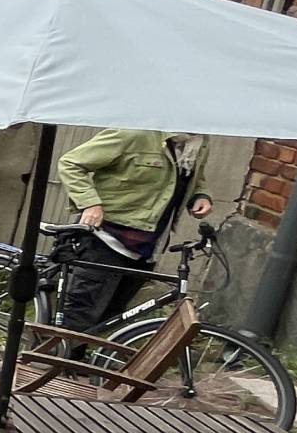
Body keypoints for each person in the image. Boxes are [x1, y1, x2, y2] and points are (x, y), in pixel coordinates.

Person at [54, 130, 213, 332]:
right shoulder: (134, 133)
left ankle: (76, 360)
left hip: (148, 246)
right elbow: (71, 163)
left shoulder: (199, 143)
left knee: (109, 319)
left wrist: (200, 195)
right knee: (78, 316)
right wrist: (90, 203)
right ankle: (45, 361)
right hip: (106, 238)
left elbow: (194, 177)